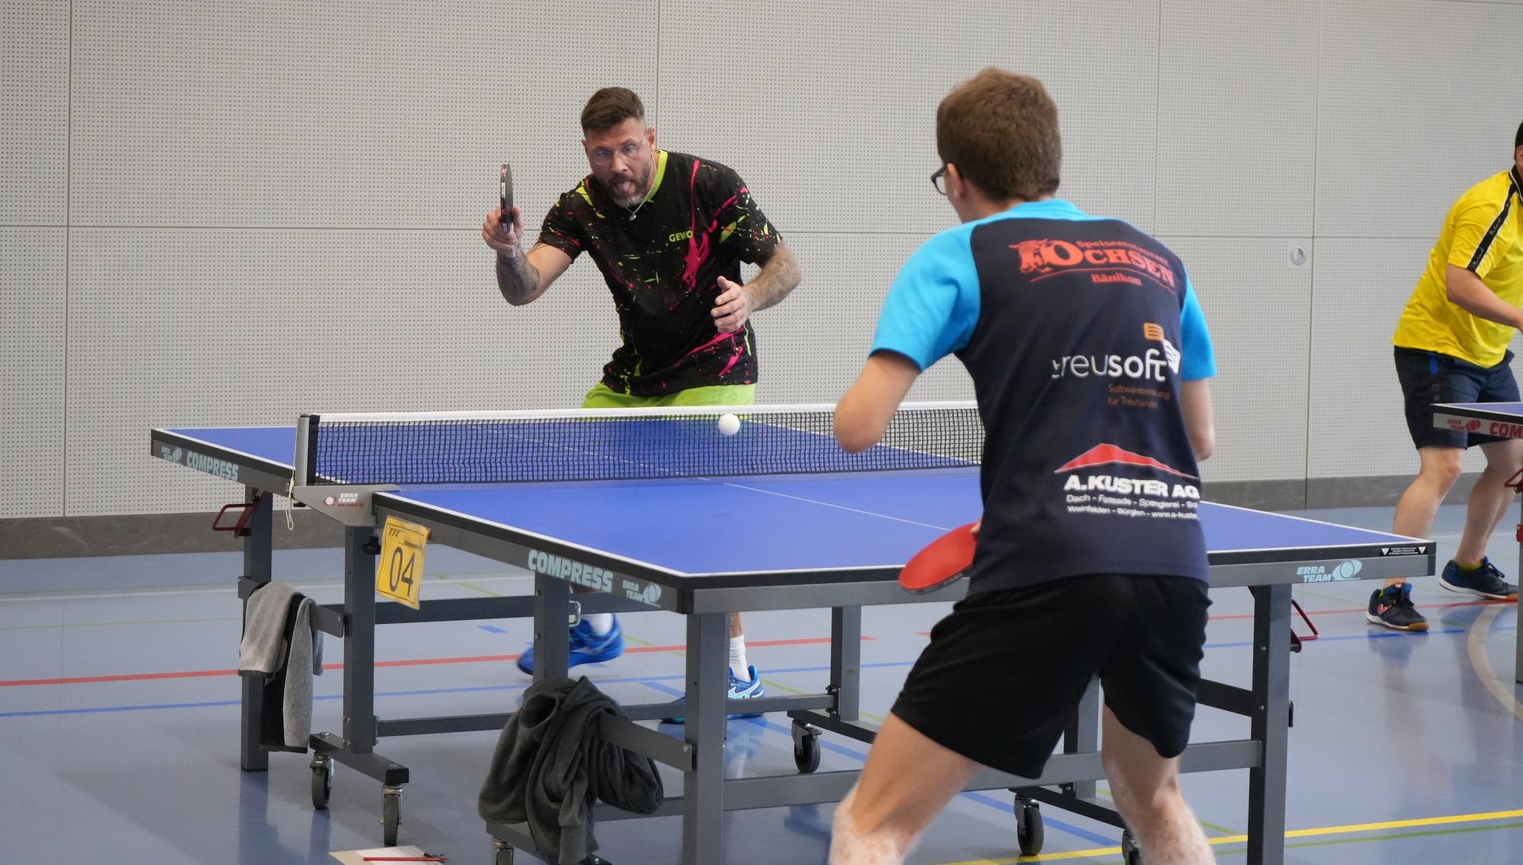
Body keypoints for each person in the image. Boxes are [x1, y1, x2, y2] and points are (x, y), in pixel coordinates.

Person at [829, 67, 1219, 865]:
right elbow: (1201, 436)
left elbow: (857, 427)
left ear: (957, 177)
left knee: (871, 825)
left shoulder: (959, 254)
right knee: (1153, 799)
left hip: (1049, 560)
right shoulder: (1159, 260)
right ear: (1049, 159)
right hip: (1172, 561)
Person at [481, 86, 801, 706]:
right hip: (635, 374)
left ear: (650, 139)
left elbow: (786, 265)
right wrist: (509, 253)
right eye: (603, 154)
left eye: (629, 148)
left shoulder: (707, 184)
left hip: (714, 367)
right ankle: (598, 625)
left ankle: (736, 672)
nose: (618, 166)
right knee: (574, 487)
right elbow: (523, 289)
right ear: (587, 151)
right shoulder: (581, 205)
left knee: (701, 523)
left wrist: (751, 297)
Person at [1369, 107, 1523, 633]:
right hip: (1437, 349)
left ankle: (1466, 566)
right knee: (1443, 467)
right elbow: (1458, 283)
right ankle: (1388, 592)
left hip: (1487, 355)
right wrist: (1522, 319)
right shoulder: (1489, 205)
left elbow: (1497, 279)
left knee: (1514, 464)